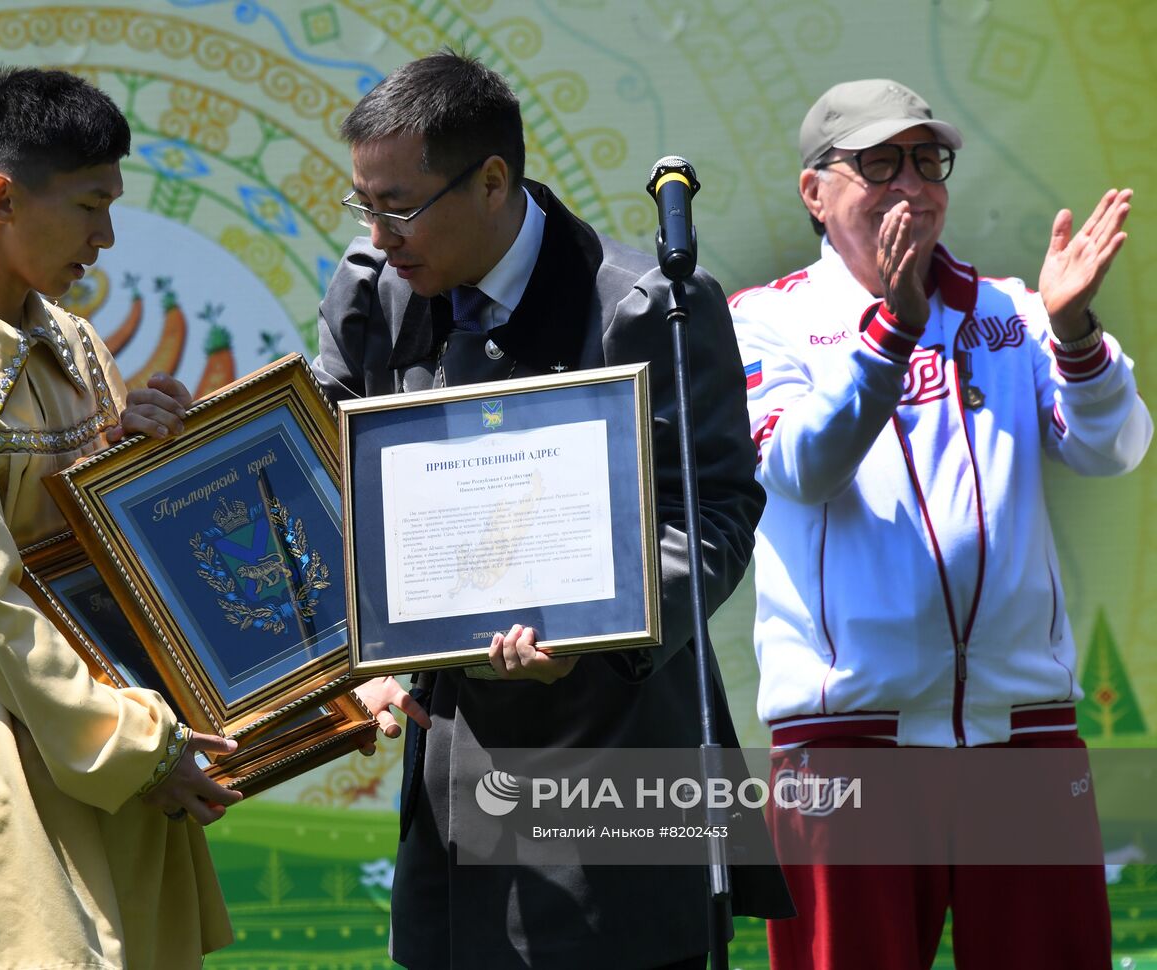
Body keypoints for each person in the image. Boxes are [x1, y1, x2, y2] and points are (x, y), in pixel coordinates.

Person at [312, 50, 792, 969]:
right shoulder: (374, 292)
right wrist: (361, 649)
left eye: (400, 206)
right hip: (460, 771)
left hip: (618, 751)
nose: (379, 232)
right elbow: (338, 485)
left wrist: (595, 624)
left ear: (493, 180)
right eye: (364, 205)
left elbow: (716, 509)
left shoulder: (649, 307)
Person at [730, 77, 1150, 969]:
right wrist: (892, 330)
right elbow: (802, 468)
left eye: (928, 160)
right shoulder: (765, 321)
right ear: (815, 191)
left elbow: (1112, 448)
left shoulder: (1012, 311)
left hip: (1020, 729)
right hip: (849, 739)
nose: (910, 183)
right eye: (879, 162)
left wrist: (1076, 335)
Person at [0, 66, 242, 969]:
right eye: (90, 205)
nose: (105, 238)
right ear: (2, 197)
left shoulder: (75, 340)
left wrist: (134, 459)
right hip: (22, 748)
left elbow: (109, 552)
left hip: (129, 734)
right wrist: (137, 748)